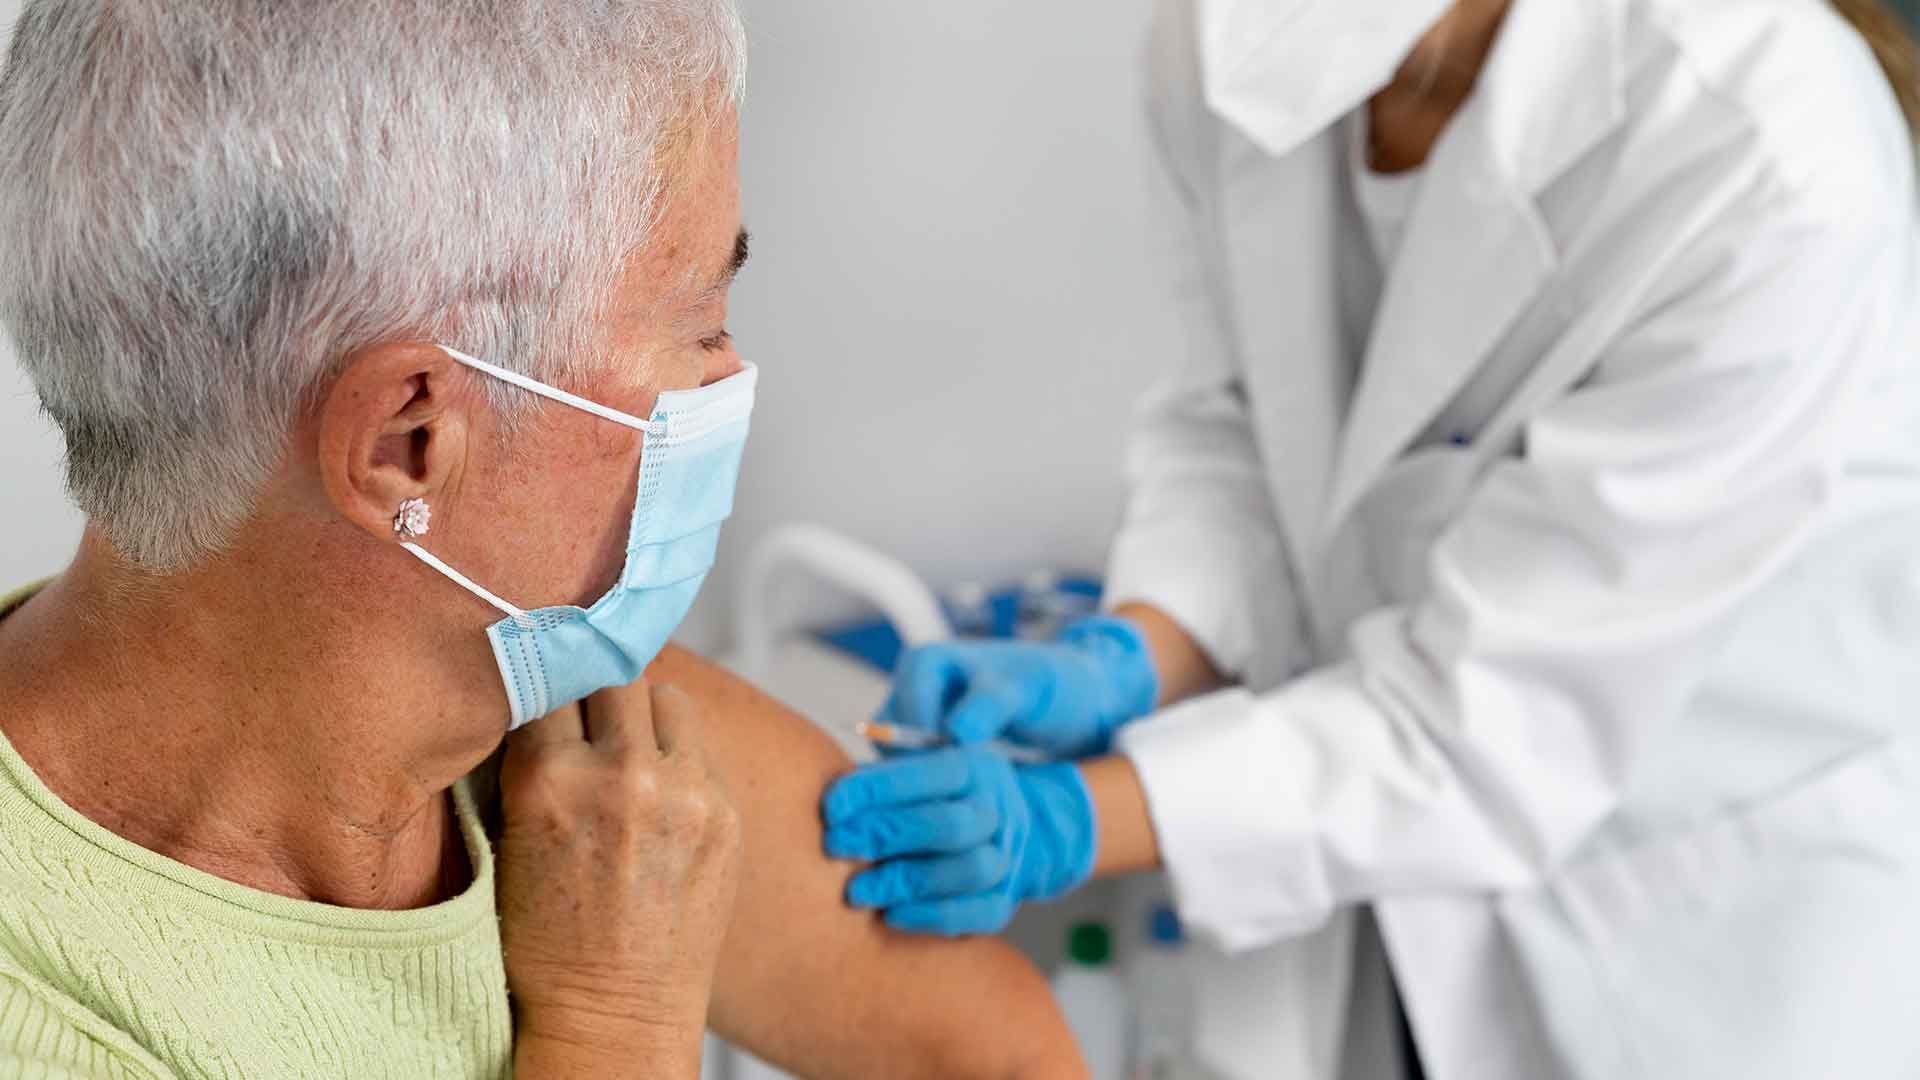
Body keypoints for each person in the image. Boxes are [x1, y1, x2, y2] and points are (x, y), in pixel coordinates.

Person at [823, 0, 1920, 1077]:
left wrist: (1067, 821)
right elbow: (1241, 430)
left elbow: (1496, 725)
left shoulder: (1761, 143)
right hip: (1388, 875)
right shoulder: (1222, 46)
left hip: (1711, 928)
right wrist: (1134, 653)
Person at [0, 2, 1085, 1077]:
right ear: (409, 442)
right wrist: (617, 1022)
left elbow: (999, 1053)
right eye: (700, 326)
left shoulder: (555, 700)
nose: (729, 379)